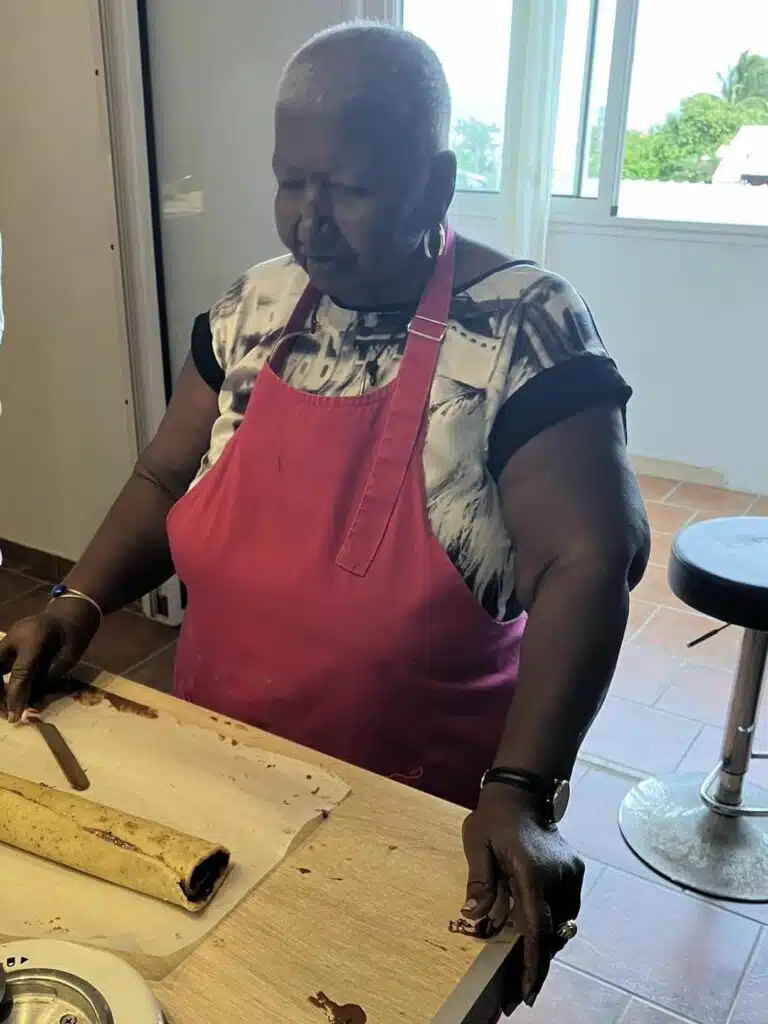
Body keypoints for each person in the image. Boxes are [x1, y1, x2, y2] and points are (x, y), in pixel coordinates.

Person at [0, 22, 649, 1015]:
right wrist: (79, 598)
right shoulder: (252, 309)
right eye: (290, 182)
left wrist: (521, 785)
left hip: (415, 819)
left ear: (434, 182)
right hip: (215, 768)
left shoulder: (526, 326)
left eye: (345, 187)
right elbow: (165, 473)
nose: (310, 221)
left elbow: (589, 560)